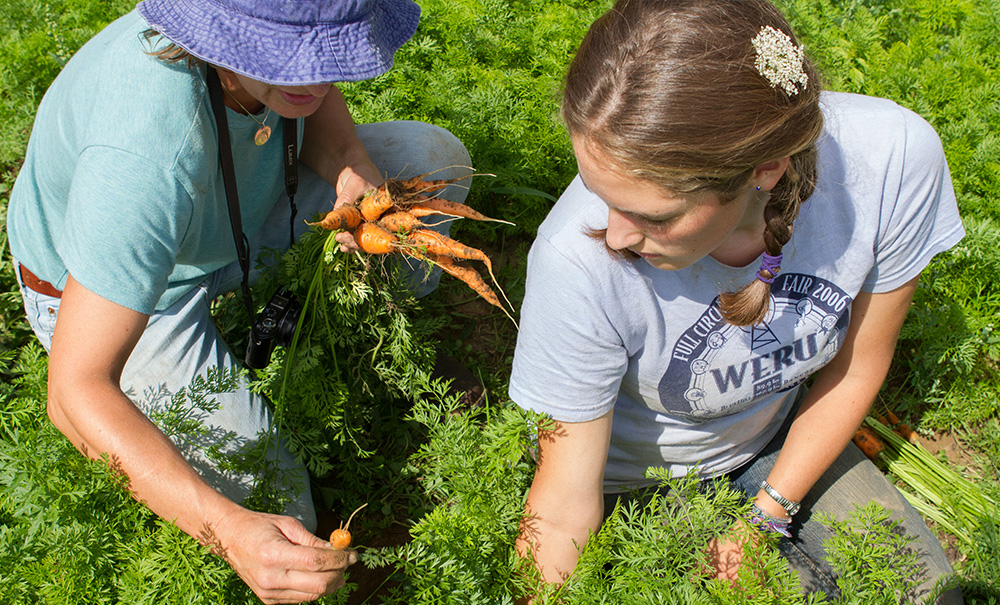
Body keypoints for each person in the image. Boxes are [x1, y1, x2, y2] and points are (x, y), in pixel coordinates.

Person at [5, 1, 473, 602]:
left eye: (331, 54)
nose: (314, 79)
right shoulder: (147, 151)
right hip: (131, 297)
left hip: (234, 220)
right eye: (286, 57)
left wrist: (353, 172)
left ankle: (366, 351)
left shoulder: (286, 77)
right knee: (275, 500)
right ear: (221, 39)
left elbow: (323, 118)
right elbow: (77, 388)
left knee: (432, 165)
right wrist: (227, 529)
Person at [509, 0, 965, 602]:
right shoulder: (576, 258)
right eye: (598, 193)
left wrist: (768, 513)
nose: (615, 235)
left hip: (775, 443)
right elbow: (566, 503)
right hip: (626, 483)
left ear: (765, 170)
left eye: (653, 216)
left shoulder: (894, 161)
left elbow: (857, 364)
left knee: (927, 593)